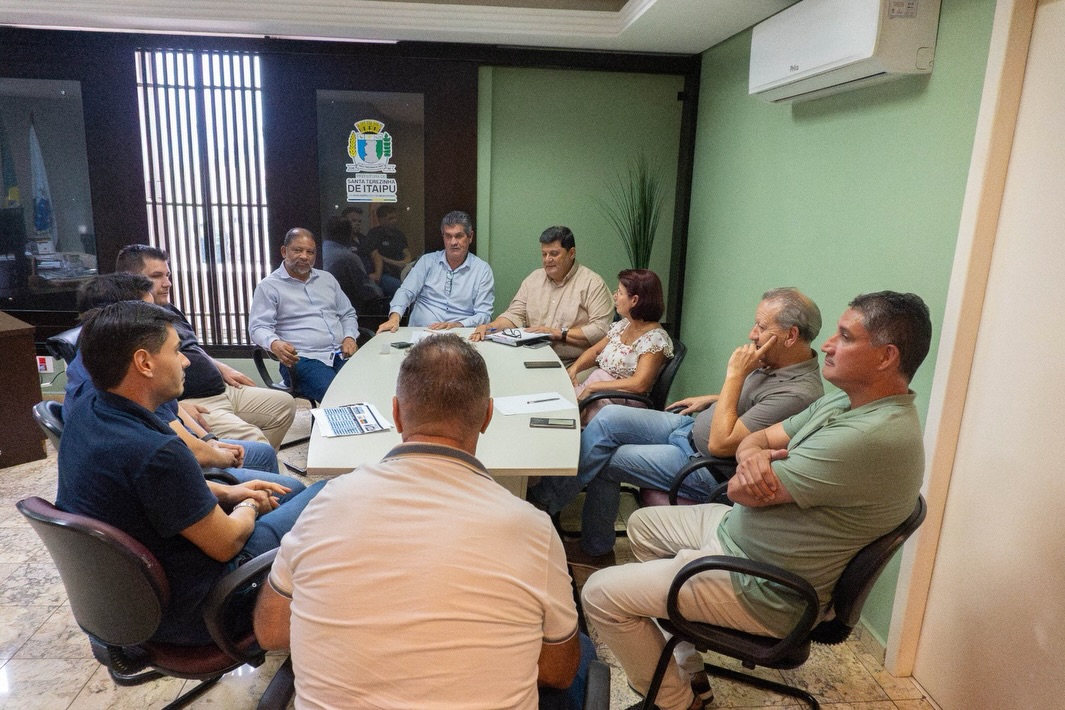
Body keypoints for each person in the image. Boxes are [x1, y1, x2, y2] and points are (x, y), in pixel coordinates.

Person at [581, 291, 932, 710]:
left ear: (885, 356)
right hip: (743, 533)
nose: (827, 345)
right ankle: (688, 665)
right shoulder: (846, 402)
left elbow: (736, 490)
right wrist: (754, 454)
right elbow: (758, 440)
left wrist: (749, 457)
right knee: (642, 526)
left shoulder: (868, 438)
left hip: (763, 585)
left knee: (601, 594)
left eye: (844, 336)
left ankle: (674, 703)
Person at [253, 334, 594, 709]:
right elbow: (558, 672)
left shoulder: (325, 504)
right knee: (582, 654)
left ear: (396, 413)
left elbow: (270, 631)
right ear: (487, 417)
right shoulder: (533, 530)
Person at [57, 300, 324, 646]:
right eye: (176, 350)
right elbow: (227, 543)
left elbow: (154, 494)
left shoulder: (88, 411)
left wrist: (230, 494)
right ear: (144, 362)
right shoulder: (156, 452)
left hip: (134, 606)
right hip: (204, 610)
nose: (185, 360)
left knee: (289, 489)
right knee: (328, 495)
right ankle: (302, 618)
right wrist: (249, 507)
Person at [531, 288, 825, 569]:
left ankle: (583, 539)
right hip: (690, 428)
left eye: (761, 327)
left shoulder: (797, 393)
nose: (752, 334)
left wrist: (735, 375)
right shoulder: (776, 361)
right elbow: (751, 404)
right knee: (609, 418)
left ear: (791, 336)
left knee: (607, 461)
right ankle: (548, 497)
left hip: (704, 465)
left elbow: (723, 445)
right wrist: (714, 397)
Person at [62, 272, 286, 480]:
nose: (155, 318)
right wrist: (227, 466)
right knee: (288, 485)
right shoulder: (122, 380)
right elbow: (186, 454)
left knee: (263, 453)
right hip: (173, 471)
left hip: (182, 451)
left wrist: (210, 441)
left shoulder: (107, 357)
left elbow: (173, 410)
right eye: (147, 313)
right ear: (118, 317)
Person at [116, 244, 296, 450]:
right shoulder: (131, 324)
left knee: (284, 404)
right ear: (132, 280)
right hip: (196, 401)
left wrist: (220, 367)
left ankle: (250, 467)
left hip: (222, 389)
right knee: (253, 438)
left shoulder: (167, 308)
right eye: (157, 276)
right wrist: (176, 408)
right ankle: (254, 467)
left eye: (168, 275)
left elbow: (192, 348)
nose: (167, 283)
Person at [469, 225, 613, 364]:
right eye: (544, 254)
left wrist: (558, 333)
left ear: (571, 253)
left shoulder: (592, 283)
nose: (547, 259)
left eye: (554, 254)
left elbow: (601, 329)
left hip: (575, 362)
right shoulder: (534, 279)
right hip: (533, 357)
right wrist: (491, 327)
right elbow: (514, 315)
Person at [249, 228, 361, 403]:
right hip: (303, 360)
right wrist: (274, 343)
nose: (304, 256)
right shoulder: (269, 286)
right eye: (298, 250)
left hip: (339, 354)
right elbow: (258, 327)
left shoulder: (327, 279)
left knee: (367, 387)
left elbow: (347, 313)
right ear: (284, 251)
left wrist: (349, 337)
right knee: (337, 397)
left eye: (310, 252)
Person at [569, 269, 673, 425]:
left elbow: (639, 384)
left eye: (620, 292)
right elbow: (595, 351)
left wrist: (595, 387)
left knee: (566, 417)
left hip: (624, 404)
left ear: (634, 300)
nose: (615, 296)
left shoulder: (655, 339)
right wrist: (574, 369)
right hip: (601, 393)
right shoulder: (624, 325)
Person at [377, 210, 494, 332]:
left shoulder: (482, 270)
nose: (453, 242)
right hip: (421, 332)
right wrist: (395, 317)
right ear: (443, 237)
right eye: (448, 236)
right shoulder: (427, 261)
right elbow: (406, 291)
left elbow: (484, 315)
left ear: (470, 237)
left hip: (460, 334)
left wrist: (457, 324)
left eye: (459, 236)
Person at [321, 214, 388, 316]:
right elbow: (368, 290)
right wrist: (380, 293)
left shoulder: (319, 251)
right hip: (350, 309)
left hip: (325, 304)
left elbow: (375, 255)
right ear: (349, 234)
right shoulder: (348, 257)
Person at [364, 203, 410, 298]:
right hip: (383, 273)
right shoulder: (374, 234)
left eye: (395, 218)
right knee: (401, 288)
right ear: (381, 220)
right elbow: (376, 255)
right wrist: (397, 263)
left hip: (400, 271)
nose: (394, 221)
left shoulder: (399, 234)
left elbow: (407, 254)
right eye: (390, 219)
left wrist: (405, 263)